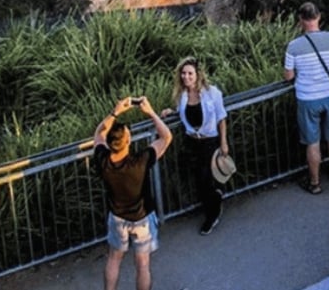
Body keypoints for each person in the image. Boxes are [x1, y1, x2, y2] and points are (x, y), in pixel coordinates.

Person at [92, 95, 173, 290]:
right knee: (143, 265)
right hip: (142, 218)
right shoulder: (141, 162)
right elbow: (166, 137)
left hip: (117, 217)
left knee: (114, 259)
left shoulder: (103, 161)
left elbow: (99, 133)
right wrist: (151, 112)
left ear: (110, 143)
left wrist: (115, 112)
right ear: (128, 141)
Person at [283, 1, 329, 194]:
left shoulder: (294, 46)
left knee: (312, 143)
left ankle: (315, 183)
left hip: (307, 98)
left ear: (300, 20)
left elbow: (288, 76)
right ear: (318, 17)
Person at [173, 57, 228, 235]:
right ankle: (214, 200)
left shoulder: (212, 93)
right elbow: (182, 113)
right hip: (192, 141)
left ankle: (212, 215)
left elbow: (221, 118)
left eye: (190, 73)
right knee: (200, 178)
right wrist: (170, 112)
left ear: (198, 75)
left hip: (209, 140)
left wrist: (224, 142)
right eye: (183, 73)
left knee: (206, 178)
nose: (186, 77)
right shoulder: (182, 95)